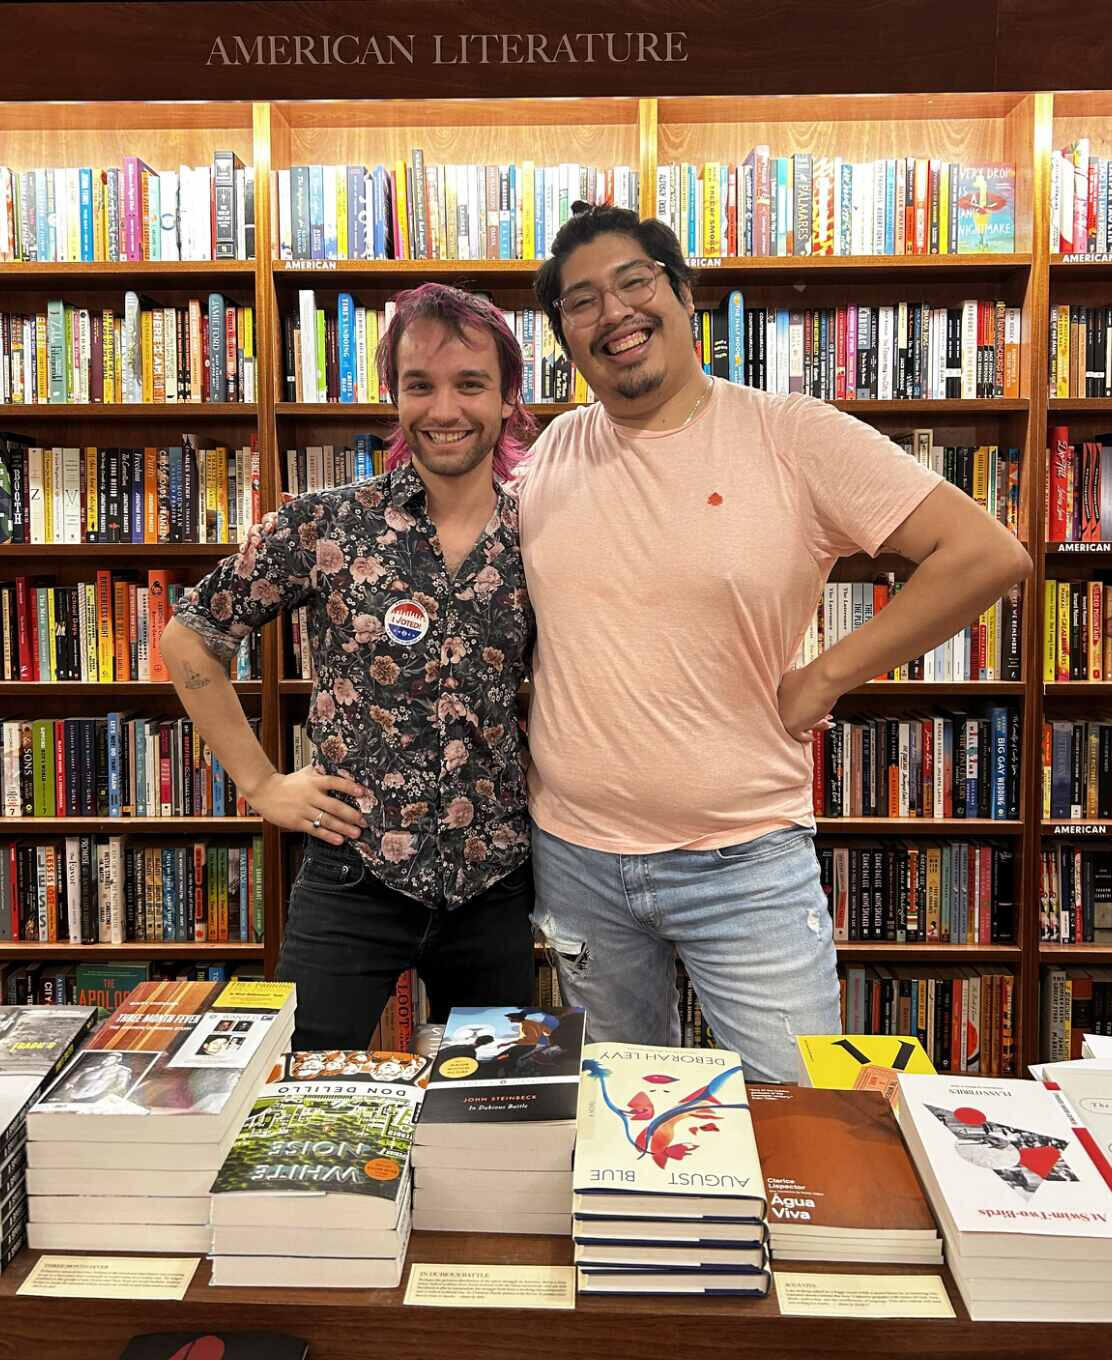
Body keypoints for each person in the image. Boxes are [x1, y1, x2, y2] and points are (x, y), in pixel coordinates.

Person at [520, 204, 1032, 1082]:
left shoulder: (789, 433)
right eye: (580, 302)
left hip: (744, 863)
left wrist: (827, 675)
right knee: (624, 1125)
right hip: (576, 861)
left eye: (633, 282)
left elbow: (986, 554)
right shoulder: (557, 447)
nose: (612, 313)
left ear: (684, 296)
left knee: (804, 1119)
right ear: (564, 334)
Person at [162, 283, 538, 1051]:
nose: (444, 410)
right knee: (299, 1095)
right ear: (394, 396)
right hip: (352, 875)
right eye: (419, 385)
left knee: (504, 1117)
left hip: (495, 880)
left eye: (470, 385)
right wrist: (262, 784)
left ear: (507, 401)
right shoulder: (327, 524)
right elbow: (190, 638)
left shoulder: (544, 532)